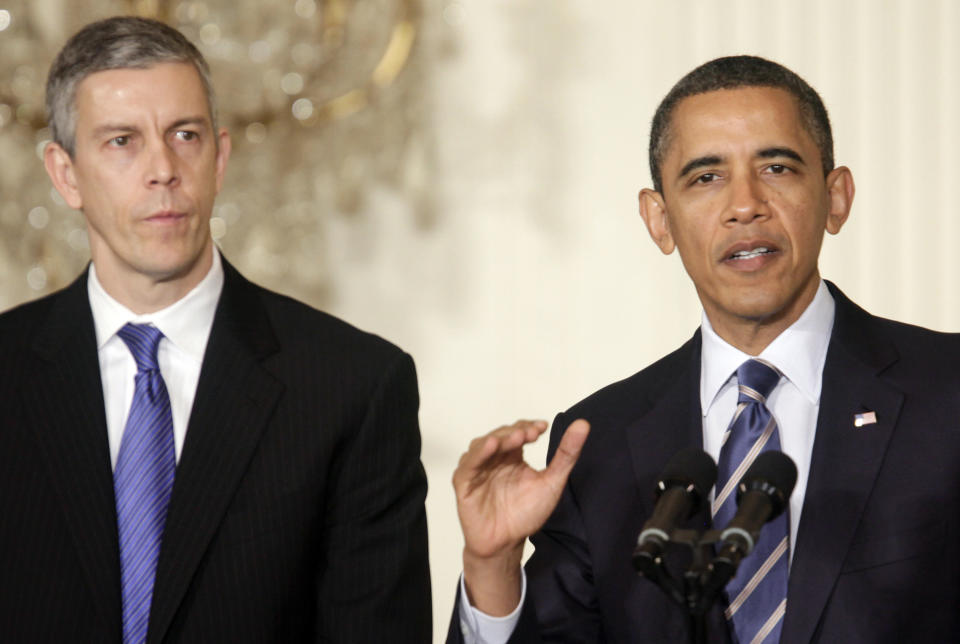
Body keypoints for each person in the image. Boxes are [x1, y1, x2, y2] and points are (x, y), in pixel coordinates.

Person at [449, 55, 960, 643]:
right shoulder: (602, 446)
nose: (745, 205)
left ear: (836, 197)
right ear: (659, 219)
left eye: (777, 167)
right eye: (706, 177)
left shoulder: (945, 395)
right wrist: (491, 566)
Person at [0, 16, 431, 643]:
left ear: (220, 157)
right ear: (65, 174)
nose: (163, 169)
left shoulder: (353, 388)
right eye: (122, 141)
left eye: (184, 134)